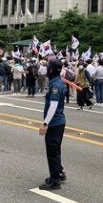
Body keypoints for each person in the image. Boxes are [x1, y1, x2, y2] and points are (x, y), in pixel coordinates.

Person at [38, 59, 67, 190]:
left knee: (52, 151)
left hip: (55, 122)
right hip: (59, 121)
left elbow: (53, 105)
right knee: (56, 150)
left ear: (51, 70)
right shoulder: (58, 82)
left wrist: (45, 123)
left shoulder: (55, 85)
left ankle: (55, 180)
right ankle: (59, 172)